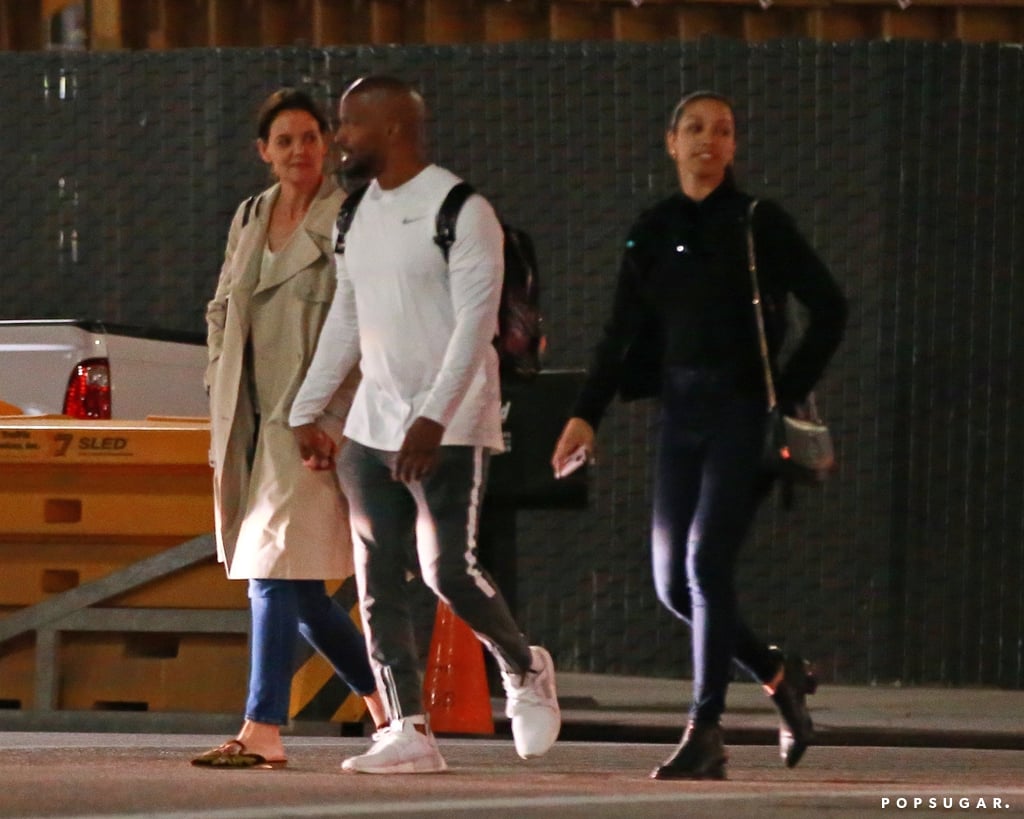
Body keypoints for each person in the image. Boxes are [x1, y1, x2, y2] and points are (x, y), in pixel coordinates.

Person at [551, 90, 847, 780]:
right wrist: (584, 414)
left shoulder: (758, 222)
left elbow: (830, 306)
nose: (707, 140)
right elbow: (618, 335)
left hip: (743, 414)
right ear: (671, 141)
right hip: (680, 416)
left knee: (706, 565)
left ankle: (704, 729)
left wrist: (785, 383)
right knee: (673, 586)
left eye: (722, 130)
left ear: (734, 147)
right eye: (694, 128)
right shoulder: (652, 230)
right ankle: (778, 673)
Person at [289, 74, 560, 775]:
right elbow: (347, 319)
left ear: (393, 129)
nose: (338, 138)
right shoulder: (356, 215)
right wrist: (306, 408)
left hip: (451, 426)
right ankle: (407, 728)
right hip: (371, 426)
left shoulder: (462, 209)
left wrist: (432, 419)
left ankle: (524, 665)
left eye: (349, 124)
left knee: (448, 571)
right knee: (377, 576)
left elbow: (476, 328)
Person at [193, 88, 386, 769]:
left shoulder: (351, 219)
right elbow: (223, 304)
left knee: (271, 571)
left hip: (310, 422)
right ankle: (388, 698)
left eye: (309, 137)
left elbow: (362, 328)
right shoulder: (251, 217)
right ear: (264, 152)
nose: (299, 150)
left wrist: (330, 417)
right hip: (249, 417)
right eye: (285, 140)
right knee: (299, 585)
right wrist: (220, 384)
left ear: (328, 143)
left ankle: (262, 727)